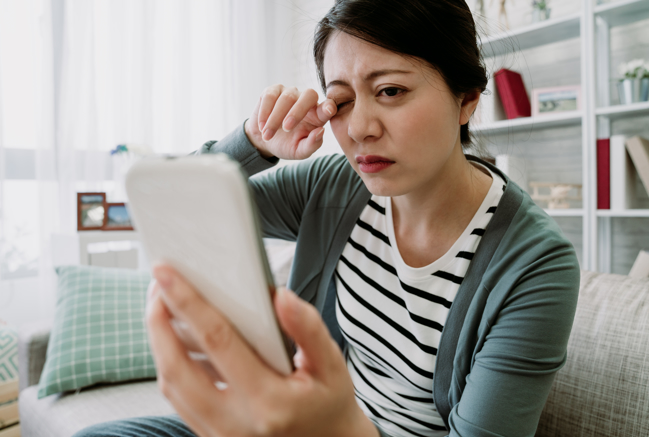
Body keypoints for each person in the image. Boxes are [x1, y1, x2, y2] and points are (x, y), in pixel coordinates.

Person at [75, 0, 579, 436]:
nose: (358, 128)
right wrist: (252, 143)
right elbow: (177, 202)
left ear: (466, 98)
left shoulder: (535, 265)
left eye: (390, 91)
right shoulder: (334, 184)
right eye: (340, 100)